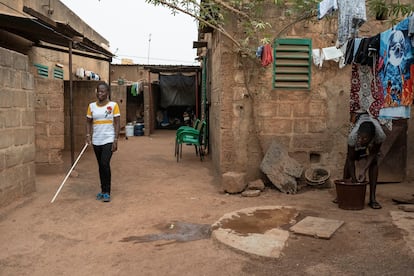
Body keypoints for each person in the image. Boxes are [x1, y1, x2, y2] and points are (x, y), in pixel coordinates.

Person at [341, 113, 386, 209]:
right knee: (350, 157)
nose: (361, 140)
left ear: (372, 137)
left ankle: (372, 199)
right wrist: (354, 179)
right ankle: (341, 193)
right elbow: (350, 159)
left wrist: (363, 170)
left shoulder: (380, 135)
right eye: (360, 137)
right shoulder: (353, 137)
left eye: (365, 138)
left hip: (373, 118)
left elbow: (373, 153)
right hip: (358, 118)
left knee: (374, 162)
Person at [86, 82, 120, 202]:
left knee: (105, 163)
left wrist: (116, 139)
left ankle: (107, 192)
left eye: (102, 91)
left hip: (109, 139)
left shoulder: (113, 105)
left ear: (107, 93)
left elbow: (117, 122)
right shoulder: (91, 106)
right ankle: (102, 190)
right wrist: (88, 135)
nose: (100, 93)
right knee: (100, 165)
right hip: (96, 140)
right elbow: (88, 122)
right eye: (98, 91)